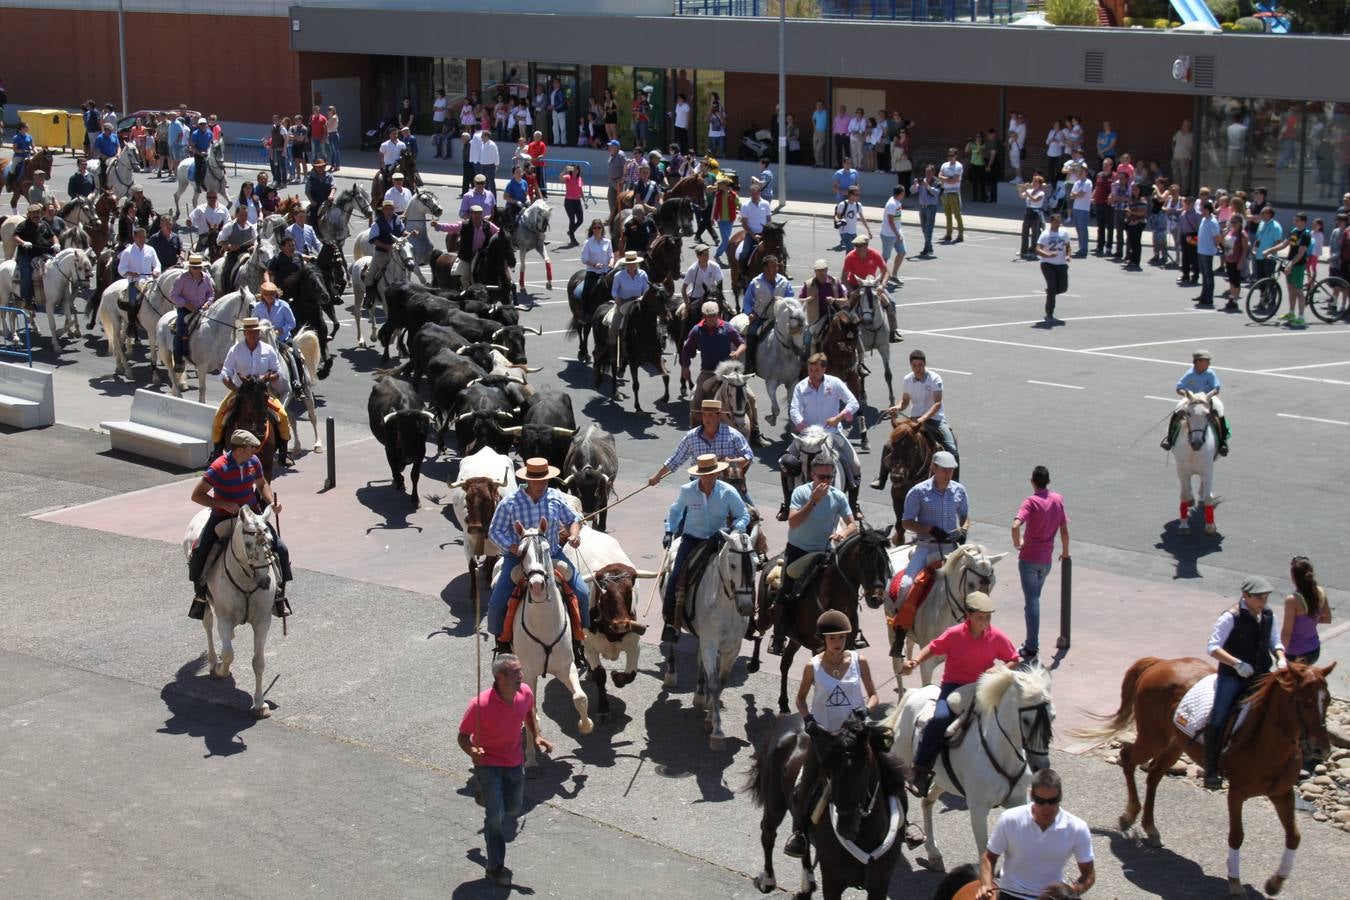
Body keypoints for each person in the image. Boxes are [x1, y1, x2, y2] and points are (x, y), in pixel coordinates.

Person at [780, 609, 879, 858]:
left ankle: (905, 823)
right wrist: (808, 720)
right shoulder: (812, 666)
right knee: (805, 782)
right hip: (824, 736)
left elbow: (874, 694)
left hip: (855, 736)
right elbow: (801, 699)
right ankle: (799, 832)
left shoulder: (860, 661)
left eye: (842, 638)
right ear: (823, 639)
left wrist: (866, 711)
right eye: (832, 638)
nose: (837, 643)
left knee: (886, 768)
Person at [904, 590, 1018, 795]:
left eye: (988, 617)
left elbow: (1014, 658)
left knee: (1007, 718)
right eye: (980, 617)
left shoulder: (997, 636)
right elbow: (933, 647)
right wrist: (916, 660)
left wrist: (1002, 669)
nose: (985, 622)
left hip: (983, 688)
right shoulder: (954, 633)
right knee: (939, 719)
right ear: (969, 615)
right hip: (953, 687)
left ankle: (1015, 764)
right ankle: (919, 770)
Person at [457, 652, 549, 888]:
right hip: (488, 764)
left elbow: (528, 711)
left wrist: (536, 735)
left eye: (521, 670)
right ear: (500, 676)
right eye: (516, 671)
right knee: (495, 817)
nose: (522, 674)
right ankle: (494, 868)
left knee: (514, 808)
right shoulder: (479, 704)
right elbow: (463, 736)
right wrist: (471, 751)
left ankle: (486, 796)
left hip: (514, 762)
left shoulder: (525, 692)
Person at [485, 458, 590, 662]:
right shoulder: (510, 502)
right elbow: (494, 531)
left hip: (551, 555)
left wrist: (574, 534)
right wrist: (515, 548)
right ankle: (503, 642)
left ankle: (579, 638)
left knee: (582, 592)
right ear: (528, 481)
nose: (542, 485)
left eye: (545, 480)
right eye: (538, 481)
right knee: (497, 603)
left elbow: (573, 520)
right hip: (518, 558)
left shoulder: (555, 497)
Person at [185, 428, 292, 620]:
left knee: (281, 549)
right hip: (223, 518)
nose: (255, 451)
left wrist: (271, 502)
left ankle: (279, 595)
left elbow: (262, 484)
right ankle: (201, 596)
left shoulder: (253, 462)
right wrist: (223, 504)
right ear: (240, 449)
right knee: (200, 553)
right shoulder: (218, 467)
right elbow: (197, 495)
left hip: (253, 516)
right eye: (252, 447)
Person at [1203, 576, 1287, 789]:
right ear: (1245, 596)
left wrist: (1281, 657)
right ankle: (1211, 767)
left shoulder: (1268, 615)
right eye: (1259, 597)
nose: (1263, 602)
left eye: (1266, 597)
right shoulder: (1230, 618)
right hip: (1232, 676)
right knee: (1219, 715)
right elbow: (1213, 647)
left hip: (1260, 673)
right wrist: (1236, 663)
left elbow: (1274, 640)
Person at [660, 454, 751, 648]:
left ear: (718, 474)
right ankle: (670, 622)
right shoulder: (687, 491)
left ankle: (749, 619)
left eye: (712, 474)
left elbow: (742, 514)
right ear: (699, 475)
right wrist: (669, 530)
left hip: (719, 539)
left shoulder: (728, 492)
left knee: (745, 568)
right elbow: (675, 511)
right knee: (675, 576)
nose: (709, 478)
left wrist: (734, 530)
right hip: (692, 539)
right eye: (705, 475)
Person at [769, 462, 859, 656]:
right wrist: (813, 501)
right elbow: (793, 523)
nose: (825, 481)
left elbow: (853, 524)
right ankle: (778, 636)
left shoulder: (838, 496)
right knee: (786, 590)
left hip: (825, 551)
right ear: (812, 475)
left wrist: (843, 533)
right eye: (821, 477)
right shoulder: (801, 493)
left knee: (847, 587)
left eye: (829, 477)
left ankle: (854, 632)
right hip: (799, 551)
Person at [889, 450, 970, 654]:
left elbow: (966, 516)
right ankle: (901, 631)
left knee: (972, 584)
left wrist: (963, 530)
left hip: (951, 549)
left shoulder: (959, 490)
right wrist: (930, 530)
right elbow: (906, 522)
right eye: (944, 470)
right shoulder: (918, 492)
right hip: (926, 547)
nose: (948, 474)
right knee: (905, 586)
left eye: (951, 470)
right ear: (933, 468)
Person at [978, 769, 1096, 900]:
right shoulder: (1010, 819)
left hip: (1052, 897)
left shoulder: (1077, 828)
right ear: (1031, 795)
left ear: (1061, 796)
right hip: (1012, 893)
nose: (1047, 807)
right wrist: (986, 885)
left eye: (1053, 801)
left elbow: (1088, 875)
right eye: (1040, 801)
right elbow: (989, 857)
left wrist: (1072, 890)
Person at [782, 354, 861, 520]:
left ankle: (853, 506)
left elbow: (853, 403)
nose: (812, 373)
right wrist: (802, 425)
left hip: (832, 433)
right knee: (785, 463)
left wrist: (838, 418)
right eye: (810, 370)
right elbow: (794, 409)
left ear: (824, 369)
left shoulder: (835, 383)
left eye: (816, 370)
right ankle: (787, 504)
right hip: (808, 435)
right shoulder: (801, 387)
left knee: (855, 465)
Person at [872, 348, 958, 491]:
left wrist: (924, 418)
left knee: (951, 449)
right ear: (911, 366)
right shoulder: (908, 379)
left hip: (934, 420)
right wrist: (897, 408)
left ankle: (954, 484)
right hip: (914, 420)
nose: (918, 369)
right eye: (915, 366)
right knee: (889, 445)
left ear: (925, 364)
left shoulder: (934, 379)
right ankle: (882, 478)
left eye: (920, 365)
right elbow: (905, 401)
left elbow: (937, 403)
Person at [214, 317, 293, 465]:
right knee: (220, 416)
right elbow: (225, 373)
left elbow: (278, 371)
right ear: (245, 333)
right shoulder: (235, 350)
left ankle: (283, 451)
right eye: (249, 332)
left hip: (262, 391)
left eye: (255, 332)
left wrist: (268, 377)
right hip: (241, 391)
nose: (253, 335)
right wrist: (234, 388)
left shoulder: (268, 350)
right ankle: (217, 451)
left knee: (282, 415)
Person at [1010, 466, 1070, 660]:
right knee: (1034, 599)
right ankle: (1031, 642)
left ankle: (1031, 646)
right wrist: (1066, 552)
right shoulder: (1057, 500)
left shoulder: (1031, 502)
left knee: (1032, 602)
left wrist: (1017, 543)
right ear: (1048, 482)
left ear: (1032, 481)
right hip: (1047, 561)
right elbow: (1064, 530)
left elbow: (1015, 525)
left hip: (1029, 559)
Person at [650, 397, 754, 495]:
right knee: (684, 510)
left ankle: (756, 429)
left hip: (725, 483)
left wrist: (730, 462)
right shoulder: (691, 436)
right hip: (698, 483)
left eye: (711, 415)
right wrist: (657, 476)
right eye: (704, 415)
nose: (707, 419)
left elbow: (748, 456)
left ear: (719, 416)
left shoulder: (733, 435)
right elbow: (675, 460)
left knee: (747, 509)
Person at [1160, 349, 1227, 456]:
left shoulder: (1210, 373)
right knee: (1177, 411)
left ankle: (1222, 442)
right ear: (1198, 361)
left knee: (1219, 409)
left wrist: (1209, 395)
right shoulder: (1190, 373)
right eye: (1207, 360)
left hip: (1207, 399)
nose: (1209, 363)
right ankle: (1169, 439)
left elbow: (1217, 388)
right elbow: (1179, 388)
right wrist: (1189, 396)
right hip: (1192, 399)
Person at [841, 234, 902, 343]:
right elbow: (844, 278)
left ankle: (893, 332)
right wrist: (851, 291)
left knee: (891, 302)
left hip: (872, 284)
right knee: (846, 307)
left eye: (860, 246)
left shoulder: (874, 254)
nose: (857, 249)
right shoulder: (850, 257)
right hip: (856, 285)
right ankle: (844, 332)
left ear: (866, 245)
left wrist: (882, 286)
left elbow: (886, 271)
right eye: (856, 246)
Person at [740, 254, 793, 377]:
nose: (776, 269)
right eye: (773, 266)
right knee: (752, 334)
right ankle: (749, 364)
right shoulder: (756, 282)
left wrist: (784, 302)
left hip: (779, 318)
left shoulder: (784, 282)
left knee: (795, 334)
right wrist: (750, 313)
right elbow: (747, 301)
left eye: (777, 266)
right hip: (761, 318)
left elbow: (790, 298)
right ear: (765, 268)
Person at [252, 278, 304, 395]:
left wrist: (282, 329)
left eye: (272, 294)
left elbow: (292, 322)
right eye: (267, 294)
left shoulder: (283, 305)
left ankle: (298, 382)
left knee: (295, 356)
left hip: (282, 340)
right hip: (264, 341)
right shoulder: (257, 307)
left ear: (276, 294)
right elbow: (254, 323)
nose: (270, 296)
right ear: (262, 295)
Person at [1266, 211, 1312, 328]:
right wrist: (1269, 250)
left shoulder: (1306, 234)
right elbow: (1284, 245)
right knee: (1291, 289)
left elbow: (1301, 253)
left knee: (1298, 290)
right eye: (1294, 220)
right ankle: (1291, 313)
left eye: (1296, 220)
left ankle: (1301, 317)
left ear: (1303, 222)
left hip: (1298, 264)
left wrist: (1290, 265)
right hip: (1290, 262)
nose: (1294, 222)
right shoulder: (1294, 231)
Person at [169, 253, 214, 373]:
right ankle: (178, 359)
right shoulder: (182, 279)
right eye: (195, 267)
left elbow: (211, 293)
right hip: (185, 309)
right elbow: (173, 295)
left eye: (199, 267)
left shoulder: (206, 278)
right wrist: (186, 304)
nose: (197, 269)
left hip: (203, 309)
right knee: (180, 330)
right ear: (189, 267)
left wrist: (208, 303)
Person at [1283, 556, 1331, 665]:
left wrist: (1281, 656)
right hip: (1314, 650)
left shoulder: (1292, 600)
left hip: (1295, 654)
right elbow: (1327, 618)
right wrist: (1311, 620)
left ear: (1293, 577)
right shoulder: (1319, 592)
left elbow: (1287, 633)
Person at [12, 203, 55, 310]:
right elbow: (15, 236)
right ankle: (27, 300)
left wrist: (56, 243)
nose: (36, 215)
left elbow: (52, 236)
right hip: (27, 255)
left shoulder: (44, 224)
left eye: (38, 213)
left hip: (44, 254)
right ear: (28, 215)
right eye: (33, 213)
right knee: (27, 275)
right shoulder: (23, 225)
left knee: (56, 270)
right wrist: (23, 242)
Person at [117, 226, 161, 329]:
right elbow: (121, 269)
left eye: (144, 237)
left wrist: (156, 271)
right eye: (140, 237)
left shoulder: (150, 249)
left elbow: (157, 264)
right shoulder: (128, 252)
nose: (143, 240)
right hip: (135, 282)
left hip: (150, 281)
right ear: (135, 238)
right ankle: (132, 325)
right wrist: (131, 273)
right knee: (132, 303)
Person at [609, 250, 649, 353]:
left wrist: (642, 297)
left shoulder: (643, 274)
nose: (631, 266)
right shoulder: (619, 275)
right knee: (614, 326)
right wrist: (616, 297)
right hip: (622, 302)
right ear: (626, 264)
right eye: (629, 264)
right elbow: (614, 291)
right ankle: (613, 348)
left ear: (637, 263)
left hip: (638, 302)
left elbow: (646, 289)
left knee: (654, 322)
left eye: (633, 264)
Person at [362, 199, 407, 289]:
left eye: (391, 209)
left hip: (397, 252)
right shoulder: (377, 223)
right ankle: (369, 296)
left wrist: (410, 233)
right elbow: (373, 239)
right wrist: (386, 246)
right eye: (386, 209)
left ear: (393, 210)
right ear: (383, 210)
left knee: (406, 267)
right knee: (370, 273)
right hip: (381, 253)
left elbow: (402, 232)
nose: (389, 211)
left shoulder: (398, 220)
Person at [217, 204, 256, 291]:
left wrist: (253, 246)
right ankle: (227, 290)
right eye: (241, 215)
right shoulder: (229, 226)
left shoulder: (251, 227)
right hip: (234, 253)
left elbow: (256, 241)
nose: (244, 217)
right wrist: (229, 246)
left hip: (248, 252)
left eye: (245, 215)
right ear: (236, 215)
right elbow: (219, 240)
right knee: (227, 271)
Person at [736, 178, 773, 270]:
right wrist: (753, 236)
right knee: (745, 253)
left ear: (759, 193)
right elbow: (744, 224)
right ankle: (742, 273)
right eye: (752, 194)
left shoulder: (766, 204)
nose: (753, 196)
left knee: (778, 249)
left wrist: (768, 233)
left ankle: (783, 270)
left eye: (755, 194)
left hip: (764, 233)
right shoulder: (745, 206)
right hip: (751, 234)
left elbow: (769, 220)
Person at [1194, 200, 1222, 308]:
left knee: (1208, 275)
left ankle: (1208, 298)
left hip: (1207, 251)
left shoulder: (1213, 222)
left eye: (1202, 209)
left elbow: (1217, 238)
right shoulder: (1204, 219)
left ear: (1207, 210)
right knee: (1204, 275)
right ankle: (1203, 295)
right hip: (1201, 250)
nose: (1200, 210)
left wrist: (1216, 246)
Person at [832, 184, 865, 253]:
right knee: (850, 249)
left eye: (858, 194)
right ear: (851, 195)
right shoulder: (842, 204)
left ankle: (848, 263)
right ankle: (848, 263)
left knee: (855, 251)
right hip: (844, 231)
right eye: (856, 194)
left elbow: (862, 218)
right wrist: (841, 220)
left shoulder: (858, 205)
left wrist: (869, 230)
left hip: (853, 231)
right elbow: (837, 217)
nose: (858, 196)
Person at [187, 117, 213, 191]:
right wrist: (200, 153)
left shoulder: (210, 133)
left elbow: (211, 143)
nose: (203, 126)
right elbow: (192, 146)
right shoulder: (195, 134)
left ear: (206, 125)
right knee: (199, 168)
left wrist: (208, 151)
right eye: (201, 124)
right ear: (198, 125)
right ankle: (198, 185)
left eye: (204, 124)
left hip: (208, 153)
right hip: (199, 154)